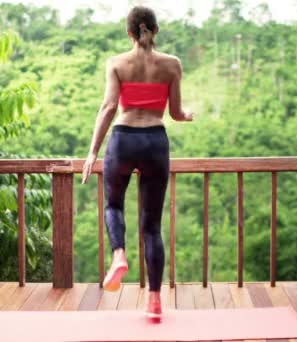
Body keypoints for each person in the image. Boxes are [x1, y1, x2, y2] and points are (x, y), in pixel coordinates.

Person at [81, 6, 193, 320]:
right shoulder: (172, 65)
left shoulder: (116, 63)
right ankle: (154, 302)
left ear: (129, 33)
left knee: (113, 205)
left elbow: (108, 107)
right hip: (155, 142)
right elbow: (174, 112)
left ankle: (118, 254)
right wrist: (188, 116)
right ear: (155, 30)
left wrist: (92, 152)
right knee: (152, 227)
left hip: (123, 140)